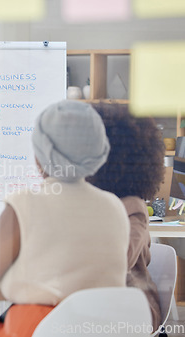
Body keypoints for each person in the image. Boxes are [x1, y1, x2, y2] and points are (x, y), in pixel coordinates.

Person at [0, 100, 130, 337]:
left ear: (40, 153)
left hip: (39, 327)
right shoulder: (115, 206)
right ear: (98, 150)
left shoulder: (24, 203)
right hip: (106, 329)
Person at [87, 103, 164, 332]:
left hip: (131, 307)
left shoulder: (132, 207)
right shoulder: (87, 199)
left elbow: (117, 263)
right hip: (92, 301)